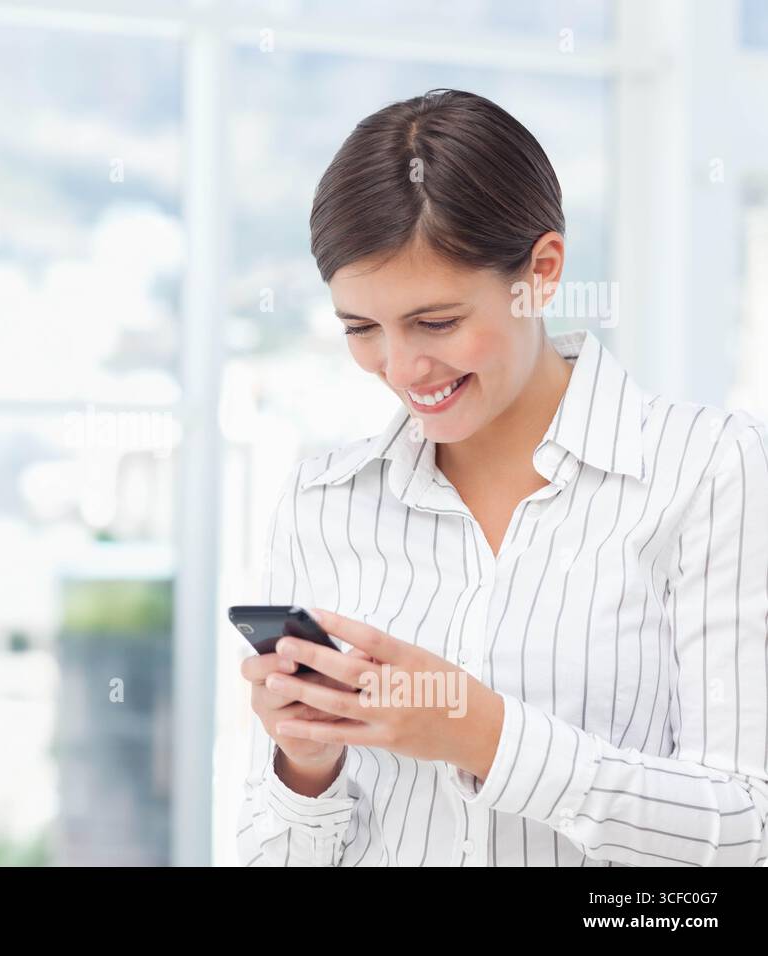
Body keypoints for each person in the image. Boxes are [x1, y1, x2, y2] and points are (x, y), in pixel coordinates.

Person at [237, 88, 768, 866]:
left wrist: (481, 732)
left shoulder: (707, 471)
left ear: (542, 272)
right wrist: (307, 766)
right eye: (361, 330)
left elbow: (746, 830)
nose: (402, 368)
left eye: (438, 322)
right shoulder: (323, 502)